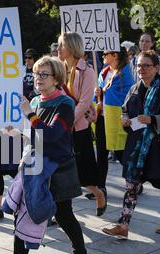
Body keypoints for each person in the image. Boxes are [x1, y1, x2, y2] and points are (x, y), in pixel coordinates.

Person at [0, 56, 92, 254]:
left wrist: (29, 114)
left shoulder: (65, 104)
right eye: (36, 74)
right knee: (23, 215)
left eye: (43, 74)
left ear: (56, 78)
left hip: (58, 170)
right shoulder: (37, 100)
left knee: (64, 215)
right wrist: (17, 133)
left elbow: (51, 135)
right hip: (36, 169)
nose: (37, 79)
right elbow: (36, 136)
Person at [102, 50, 160, 239]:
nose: (141, 69)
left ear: (156, 67)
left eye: (146, 65)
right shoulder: (135, 88)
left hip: (158, 147)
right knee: (131, 184)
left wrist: (153, 119)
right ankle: (123, 225)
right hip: (136, 146)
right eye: (138, 65)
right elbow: (125, 109)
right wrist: (125, 120)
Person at [57, 32, 107, 217]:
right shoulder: (58, 68)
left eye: (61, 45)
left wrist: (66, 123)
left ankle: (98, 193)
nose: (58, 48)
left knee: (83, 172)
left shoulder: (87, 71)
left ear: (71, 47)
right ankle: (59, 211)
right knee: (60, 171)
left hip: (77, 129)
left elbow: (85, 103)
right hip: (60, 128)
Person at [93, 47, 135, 195]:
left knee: (119, 152)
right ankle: (100, 187)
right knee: (101, 153)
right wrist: (97, 92)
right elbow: (100, 92)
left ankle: (135, 179)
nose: (103, 56)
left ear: (115, 55)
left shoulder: (125, 75)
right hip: (102, 116)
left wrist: (103, 91)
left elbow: (127, 96)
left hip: (116, 118)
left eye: (105, 54)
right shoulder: (104, 72)